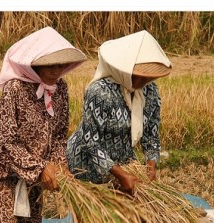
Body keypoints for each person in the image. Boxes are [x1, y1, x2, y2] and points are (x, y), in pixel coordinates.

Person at [0, 26, 86, 223]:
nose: (56, 70)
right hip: (3, 181)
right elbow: (5, 142)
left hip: (33, 184)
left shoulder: (60, 89)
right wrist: (40, 168)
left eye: (60, 65)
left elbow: (59, 136)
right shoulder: (14, 89)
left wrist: (60, 166)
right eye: (49, 65)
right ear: (33, 63)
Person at [66, 30, 172, 196]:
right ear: (123, 70)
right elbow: (91, 142)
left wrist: (151, 165)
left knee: (130, 213)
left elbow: (151, 135)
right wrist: (120, 175)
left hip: (123, 160)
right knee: (95, 215)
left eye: (148, 77)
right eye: (138, 76)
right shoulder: (100, 92)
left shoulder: (149, 91)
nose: (144, 81)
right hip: (87, 163)